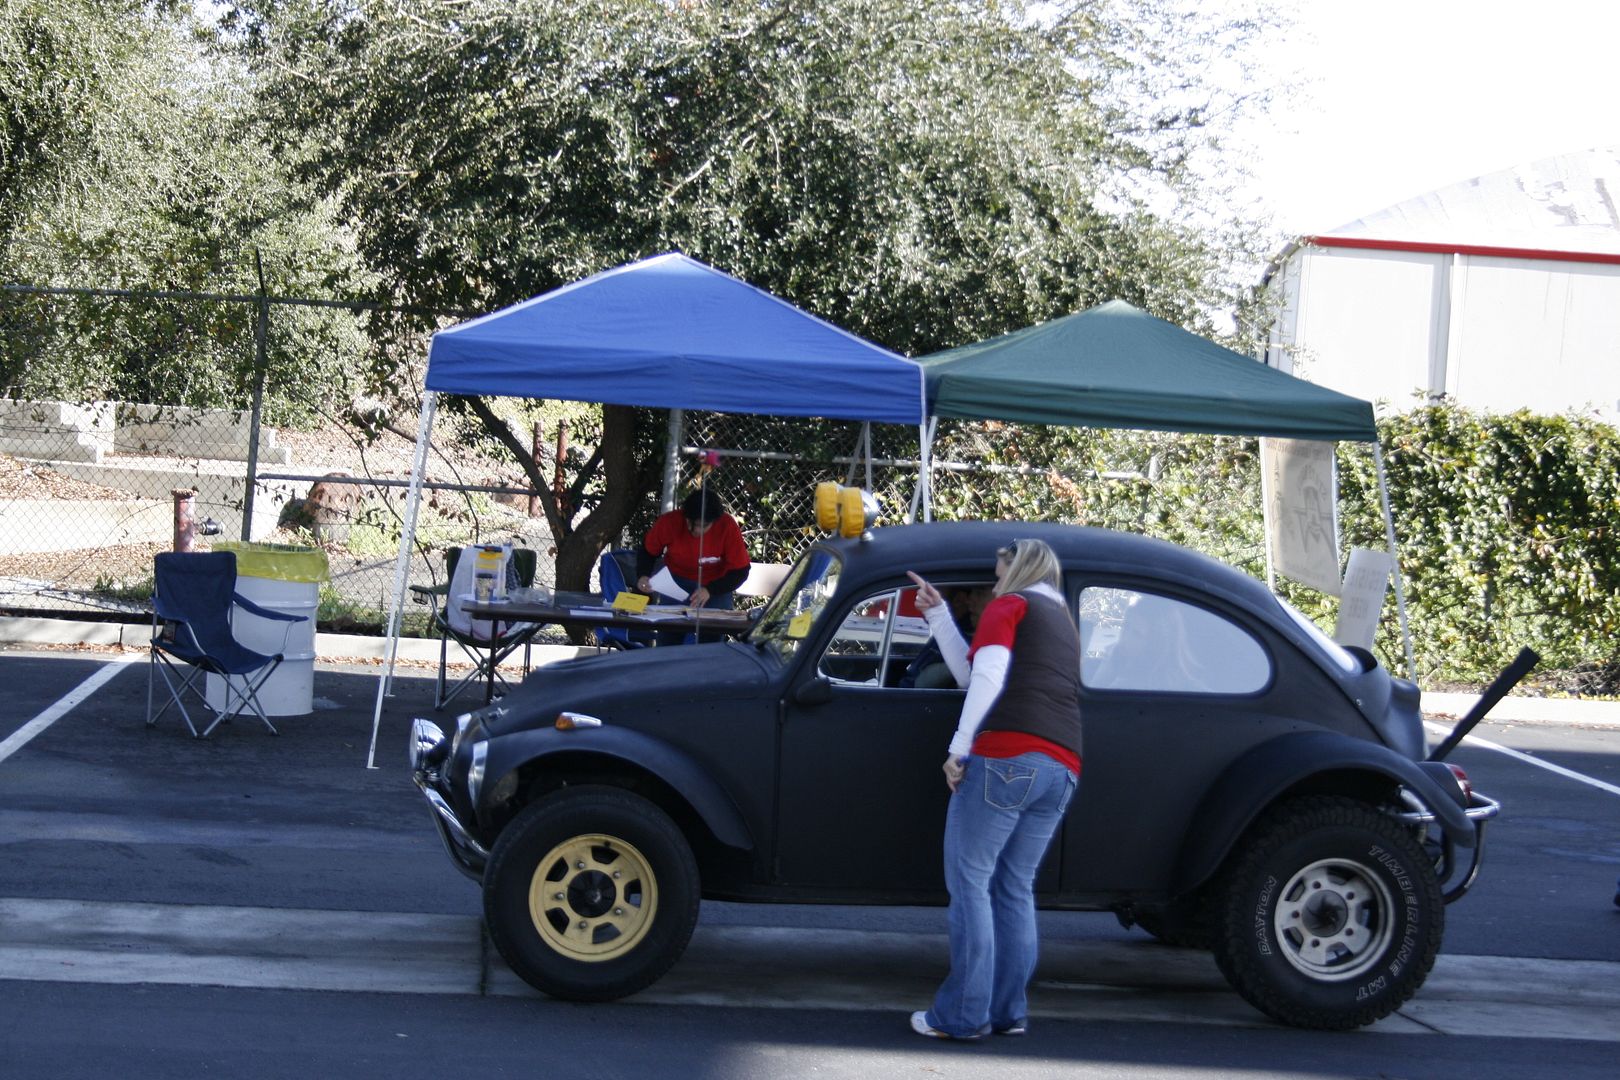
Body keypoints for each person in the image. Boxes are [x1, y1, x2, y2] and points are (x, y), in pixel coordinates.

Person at [905, 538, 1082, 1041]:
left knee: (970, 882)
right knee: (1014, 885)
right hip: (1062, 766)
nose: (994, 582)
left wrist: (959, 748)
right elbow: (977, 672)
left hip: (1007, 757)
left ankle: (962, 1016)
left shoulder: (1011, 605)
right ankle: (1008, 1011)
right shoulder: (1061, 622)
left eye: (999, 571)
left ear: (1019, 570)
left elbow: (985, 679)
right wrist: (940, 616)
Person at [635, 488, 751, 644]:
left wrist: (710, 590)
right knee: (668, 636)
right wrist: (643, 575)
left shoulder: (727, 526)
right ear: (685, 516)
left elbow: (740, 571)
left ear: (715, 521)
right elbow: (648, 551)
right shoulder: (669, 522)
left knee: (711, 641)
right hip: (674, 583)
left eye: (704, 526)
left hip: (715, 586)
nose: (697, 530)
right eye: (693, 524)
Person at [900, 586, 993, 689]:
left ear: (959, 599)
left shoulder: (982, 646)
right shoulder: (957, 630)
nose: (970, 600)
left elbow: (918, 685)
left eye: (980, 594)